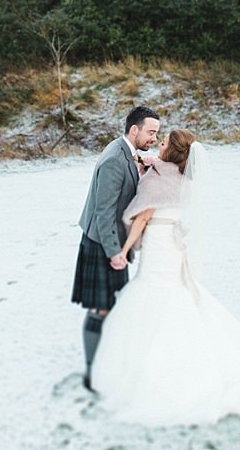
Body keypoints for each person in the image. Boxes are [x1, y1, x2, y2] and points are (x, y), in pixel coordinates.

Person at [90, 129, 240, 425]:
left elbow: (143, 217)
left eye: (165, 142)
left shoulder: (157, 179)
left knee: (152, 293)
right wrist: (149, 165)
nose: (160, 143)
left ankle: (155, 371)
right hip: (174, 245)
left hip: (159, 242)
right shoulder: (184, 180)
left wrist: (123, 249)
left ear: (172, 151)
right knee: (176, 292)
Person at [72, 106, 160, 391]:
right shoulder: (114, 160)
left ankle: (105, 366)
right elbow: (103, 212)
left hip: (108, 241)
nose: (154, 139)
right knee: (100, 309)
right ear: (134, 130)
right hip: (101, 243)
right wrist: (114, 252)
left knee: (112, 307)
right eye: (151, 132)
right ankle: (91, 374)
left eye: (157, 134)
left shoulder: (125, 151)